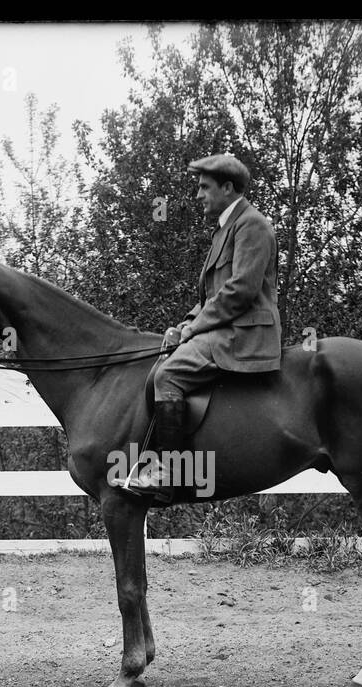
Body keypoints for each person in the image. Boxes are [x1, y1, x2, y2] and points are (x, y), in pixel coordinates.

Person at [122, 153, 282, 503]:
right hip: (225, 328)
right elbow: (212, 296)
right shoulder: (225, 229)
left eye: (204, 187)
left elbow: (240, 291)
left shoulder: (252, 225)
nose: (198, 196)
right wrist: (185, 325)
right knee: (159, 361)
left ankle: (167, 472)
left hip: (245, 333)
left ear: (228, 188)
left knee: (169, 376)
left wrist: (196, 330)